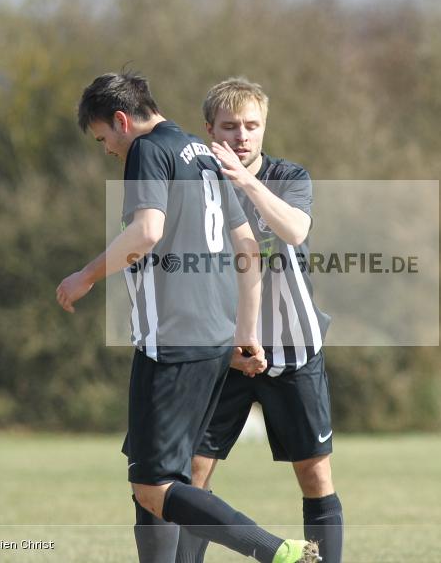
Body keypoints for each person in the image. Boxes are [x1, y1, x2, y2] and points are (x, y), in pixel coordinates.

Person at [56, 71, 321, 563]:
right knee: (156, 480)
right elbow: (247, 246)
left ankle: (274, 550)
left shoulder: (148, 150)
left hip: (172, 341)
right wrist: (242, 333)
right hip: (212, 339)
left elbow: (146, 232)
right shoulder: (202, 154)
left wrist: (86, 276)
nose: (108, 150)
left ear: (120, 120)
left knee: (152, 485)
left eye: (103, 139)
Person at [174, 77, 342, 563]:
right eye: (230, 127)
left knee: (314, 474)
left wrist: (245, 180)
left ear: (264, 128)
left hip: (293, 347)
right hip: (221, 352)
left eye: (252, 126)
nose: (242, 136)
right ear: (209, 129)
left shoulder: (291, 176)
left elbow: (293, 229)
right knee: (193, 473)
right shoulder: (193, 185)